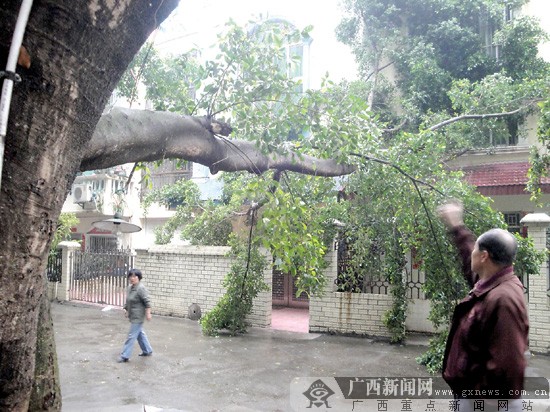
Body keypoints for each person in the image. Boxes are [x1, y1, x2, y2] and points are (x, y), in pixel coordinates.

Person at [437, 202, 528, 412]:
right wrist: (457, 226)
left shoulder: (504, 299)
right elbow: (473, 269)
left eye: (476, 249)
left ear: (484, 256)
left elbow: (508, 365)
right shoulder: (491, 282)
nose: (472, 253)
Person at [118, 268, 153, 362]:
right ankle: (147, 350)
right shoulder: (130, 287)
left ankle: (125, 356)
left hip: (138, 316)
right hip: (132, 315)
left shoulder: (141, 288)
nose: (132, 278)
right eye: (131, 276)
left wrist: (148, 313)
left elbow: (147, 301)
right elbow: (128, 300)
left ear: (139, 277)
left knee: (131, 336)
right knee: (139, 334)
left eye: (135, 276)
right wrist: (126, 309)